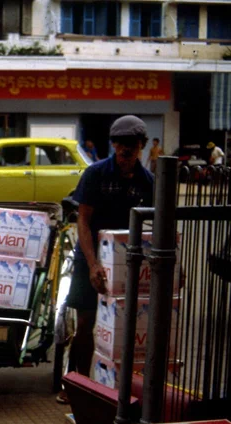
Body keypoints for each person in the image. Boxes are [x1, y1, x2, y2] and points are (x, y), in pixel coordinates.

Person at [59, 115, 154, 404]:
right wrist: (93, 264)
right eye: (120, 143)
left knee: (127, 324)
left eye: (132, 144)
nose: (125, 150)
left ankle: (116, 386)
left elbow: (156, 227)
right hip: (92, 255)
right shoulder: (95, 174)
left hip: (129, 262)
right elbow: (83, 221)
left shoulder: (147, 181)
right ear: (112, 144)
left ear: (141, 146)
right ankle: (74, 382)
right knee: (86, 319)